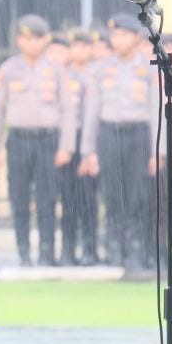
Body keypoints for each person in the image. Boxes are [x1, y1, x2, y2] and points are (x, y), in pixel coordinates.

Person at [83, 14, 172, 268]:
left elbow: (156, 111)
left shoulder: (150, 68)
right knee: (112, 194)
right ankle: (114, 248)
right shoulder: (101, 68)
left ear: (134, 38)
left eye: (123, 35)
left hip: (138, 136)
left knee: (138, 196)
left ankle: (135, 249)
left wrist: (158, 152)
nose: (117, 40)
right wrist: (89, 150)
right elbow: (92, 112)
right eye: (114, 35)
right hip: (109, 134)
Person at [0, 15, 76, 266]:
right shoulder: (7, 70)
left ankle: (47, 252)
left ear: (46, 40)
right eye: (27, 38)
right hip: (18, 139)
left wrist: (66, 146)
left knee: (47, 199)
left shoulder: (57, 70)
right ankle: (23, 252)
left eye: (38, 38)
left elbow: (67, 109)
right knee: (19, 198)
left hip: (47, 140)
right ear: (19, 41)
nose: (33, 43)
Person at [62, 29, 101, 265]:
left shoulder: (98, 74)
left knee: (88, 200)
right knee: (68, 200)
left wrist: (89, 151)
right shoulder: (62, 74)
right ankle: (67, 251)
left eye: (85, 46)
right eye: (75, 46)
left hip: (92, 140)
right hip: (68, 141)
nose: (80, 51)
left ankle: (90, 249)